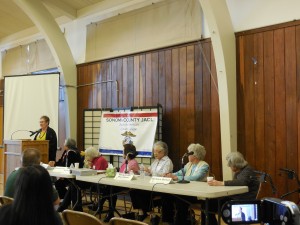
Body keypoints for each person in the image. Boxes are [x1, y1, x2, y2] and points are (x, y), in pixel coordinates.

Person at [202, 151, 260, 225]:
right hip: (236, 196)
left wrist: (221, 183)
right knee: (206, 204)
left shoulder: (247, 170)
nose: (230, 167)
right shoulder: (240, 170)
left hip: (243, 199)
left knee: (209, 205)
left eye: (231, 166)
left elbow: (241, 182)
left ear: (235, 165)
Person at [162, 143, 209, 225]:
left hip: (198, 193)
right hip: (187, 191)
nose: (187, 155)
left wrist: (176, 178)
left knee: (180, 199)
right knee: (167, 195)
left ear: (195, 155)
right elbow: (180, 172)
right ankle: (168, 221)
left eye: (189, 153)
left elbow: (195, 178)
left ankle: (180, 222)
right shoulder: (188, 164)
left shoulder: (204, 165)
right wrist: (169, 174)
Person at [130, 141, 173, 221]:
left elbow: (164, 174)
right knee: (133, 190)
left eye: (157, 151)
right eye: (154, 151)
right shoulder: (156, 161)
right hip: (151, 185)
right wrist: (142, 171)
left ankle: (151, 214)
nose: (155, 153)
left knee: (141, 193)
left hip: (161, 187)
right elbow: (149, 173)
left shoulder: (168, 161)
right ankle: (142, 212)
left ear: (164, 152)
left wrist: (150, 171)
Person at [102, 144, 140, 222]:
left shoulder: (133, 163)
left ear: (127, 154)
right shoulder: (125, 162)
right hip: (120, 182)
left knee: (110, 189)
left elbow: (129, 175)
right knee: (109, 188)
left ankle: (102, 207)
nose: (122, 154)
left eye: (123, 152)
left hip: (127, 184)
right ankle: (109, 211)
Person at [50, 138, 84, 212]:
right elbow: (61, 161)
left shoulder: (71, 152)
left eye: (64, 143)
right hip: (71, 175)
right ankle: (65, 202)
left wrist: (62, 174)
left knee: (60, 183)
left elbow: (66, 165)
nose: (63, 144)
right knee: (59, 183)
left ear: (67, 145)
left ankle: (64, 203)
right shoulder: (67, 151)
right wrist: (54, 163)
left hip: (72, 175)